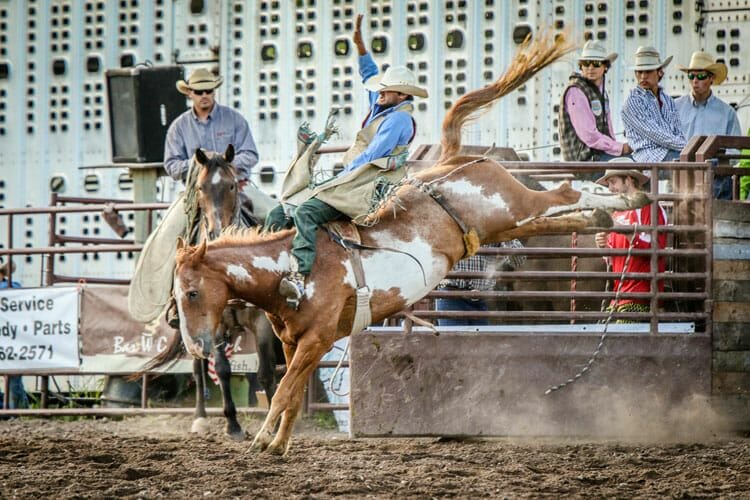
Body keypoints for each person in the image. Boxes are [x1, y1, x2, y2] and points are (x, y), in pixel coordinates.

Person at [265, 14, 428, 309]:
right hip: (354, 179)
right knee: (279, 214)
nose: (379, 92)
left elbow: (373, 155)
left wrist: (341, 176)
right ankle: (268, 267)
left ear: (401, 94)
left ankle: (300, 276)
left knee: (306, 213)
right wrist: (361, 47)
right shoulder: (384, 106)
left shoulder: (400, 119)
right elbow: (369, 77)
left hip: (366, 185)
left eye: (386, 89)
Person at [164, 67, 259, 186]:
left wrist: (223, 162)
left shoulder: (235, 119)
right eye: (199, 92)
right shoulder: (178, 127)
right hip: (196, 192)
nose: (204, 95)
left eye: (208, 90)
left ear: (214, 92)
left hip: (237, 187)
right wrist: (195, 163)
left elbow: (251, 155)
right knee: (175, 206)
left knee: (267, 205)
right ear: (190, 94)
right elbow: (172, 167)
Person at [594, 169, 667, 318]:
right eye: (609, 184)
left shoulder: (648, 207)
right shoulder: (617, 212)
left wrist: (626, 232)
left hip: (641, 296)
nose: (610, 188)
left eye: (613, 182)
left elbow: (656, 248)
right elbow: (613, 257)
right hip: (621, 297)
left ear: (628, 180)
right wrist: (603, 246)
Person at [675, 51, 742, 199]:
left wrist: (715, 163)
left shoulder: (727, 113)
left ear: (711, 78)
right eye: (691, 76)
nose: (695, 81)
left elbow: (735, 152)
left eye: (700, 76)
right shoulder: (674, 108)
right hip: (682, 178)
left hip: (716, 180)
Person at [558, 40, 631, 165]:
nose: (590, 68)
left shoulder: (601, 92)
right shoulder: (576, 91)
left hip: (598, 155)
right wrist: (620, 148)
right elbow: (589, 135)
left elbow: (608, 127)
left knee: (640, 163)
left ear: (605, 67)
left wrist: (617, 148)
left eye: (596, 63)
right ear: (581, 66)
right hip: (583, 159)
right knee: (636, 166)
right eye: (586, 63)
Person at [435, 241, 526, 327]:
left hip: (484, 299)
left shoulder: (494, 228)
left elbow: (519, 261)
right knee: (452, 341)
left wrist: (506, 233)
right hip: (451, 295)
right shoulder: (454, 226)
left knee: (483, 342)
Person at [621, 46, 686, 164]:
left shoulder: (668, 100)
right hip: (648, 156)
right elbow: (654, 134)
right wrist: (687, 148)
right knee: (695, 163)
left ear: (659, 72)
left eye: (648, 71)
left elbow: (678, 130)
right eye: (639, 72)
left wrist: (687, 149)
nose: (643, 76)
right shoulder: (633, 101)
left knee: (707, 163)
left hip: (671, 152)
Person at [0, 259, 29, 410]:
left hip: (8, 339)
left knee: (13, 378)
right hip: (12, 340)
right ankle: (16, 410)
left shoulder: (9, 288)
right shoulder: (14, 287)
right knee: (13, 378)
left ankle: (13, 410)